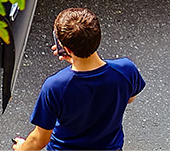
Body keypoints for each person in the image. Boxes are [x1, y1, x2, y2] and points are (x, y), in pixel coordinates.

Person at [14, 8, 145, 151]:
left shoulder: (55, 86)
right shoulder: (126, 70)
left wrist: (21, 147)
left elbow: (39, 139)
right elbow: (129, 98)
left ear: (67, 50)